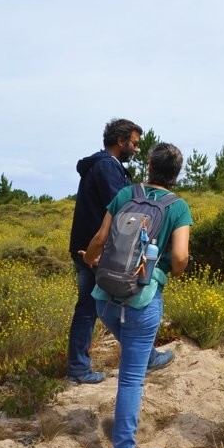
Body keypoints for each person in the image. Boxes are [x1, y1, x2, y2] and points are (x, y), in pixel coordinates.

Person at [82, 143, 192, 448]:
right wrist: (172, 270)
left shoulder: (126, 194)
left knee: (133, 346)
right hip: (142, 301)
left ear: (149, 166)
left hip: (105, 298)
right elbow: (181, 257)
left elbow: (100, 238)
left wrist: (89, 260)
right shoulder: (178, 207)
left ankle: (151, 357)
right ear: (176, 173)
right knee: (131, 378)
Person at [67, 119, 173, 385]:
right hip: (95, 251)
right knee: (100, 306)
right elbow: (128, 210)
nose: (136, 149)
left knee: (96, 306)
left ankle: (84, 366)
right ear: (121, 141)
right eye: (134, 144)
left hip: (92, 248)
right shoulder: (107, 167)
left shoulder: (104, 165)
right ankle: (81, 368)